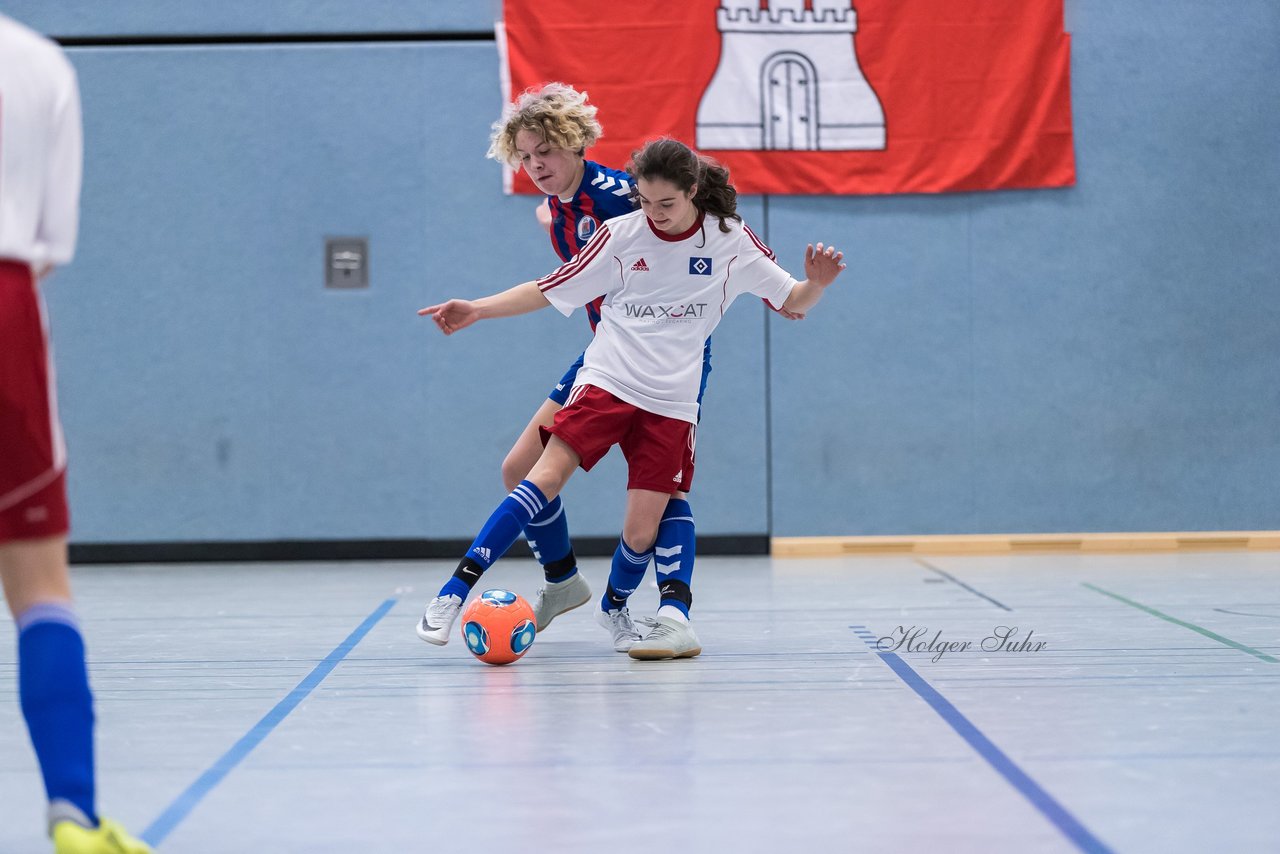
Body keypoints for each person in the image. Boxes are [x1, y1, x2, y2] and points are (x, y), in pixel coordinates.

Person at [416, 137, 845, 659]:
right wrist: (478, 309)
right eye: (644, 202)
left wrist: (816, 284)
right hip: (607, 380)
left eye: (666, 204)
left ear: (692, 191)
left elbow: (792, 298)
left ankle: (614, 607)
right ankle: (451, 594)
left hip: (672, 402)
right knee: (538, 477)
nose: (655, 215)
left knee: (641, 532)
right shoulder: (621, 235)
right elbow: (549, 287)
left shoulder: (729, 240)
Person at [443, 83, 714, 650]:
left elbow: (696, 234)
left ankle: (673, 612)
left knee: (659, 492)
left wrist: (785, 293)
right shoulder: (565, 210)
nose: (536, 164)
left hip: (665, 363)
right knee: (520, 466)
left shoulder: (620, 199)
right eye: (526, 155)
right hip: (605, 356)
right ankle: (563, 580)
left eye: (546, 150)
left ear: (575, 143)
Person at [0, 13, 152, 854]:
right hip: (5, 306)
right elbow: (51, 243)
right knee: (38, 587)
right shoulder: (36, 63)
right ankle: (74, 815)